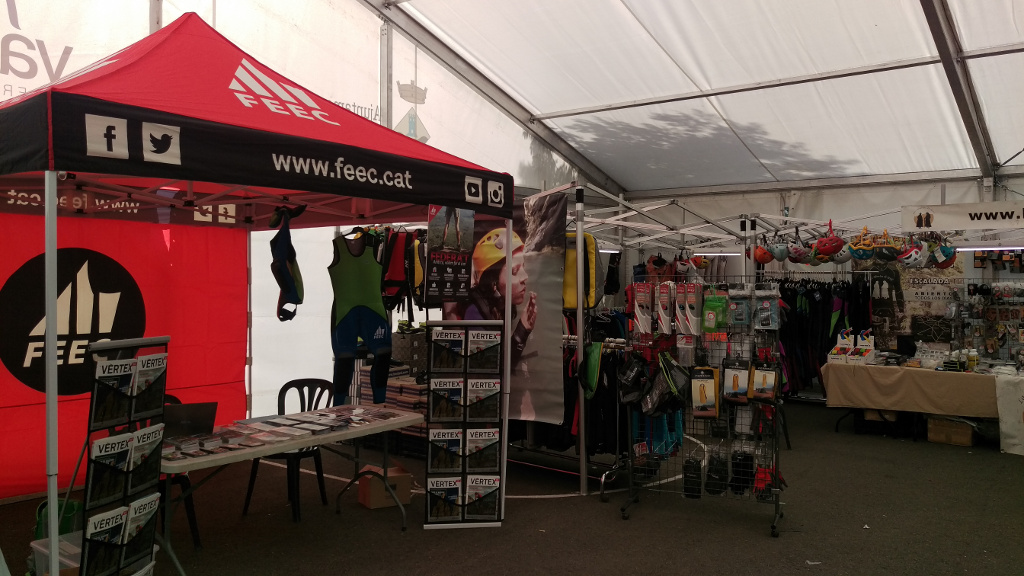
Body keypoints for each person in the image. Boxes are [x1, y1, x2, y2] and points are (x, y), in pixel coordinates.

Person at [453, 228, 537, 370]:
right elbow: (487, 369)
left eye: (523, 267)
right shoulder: (475, 314)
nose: (525, 277)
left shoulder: (501, 306)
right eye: (514, 271)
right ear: (493, 283)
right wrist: (521, 330)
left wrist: (524, 329)